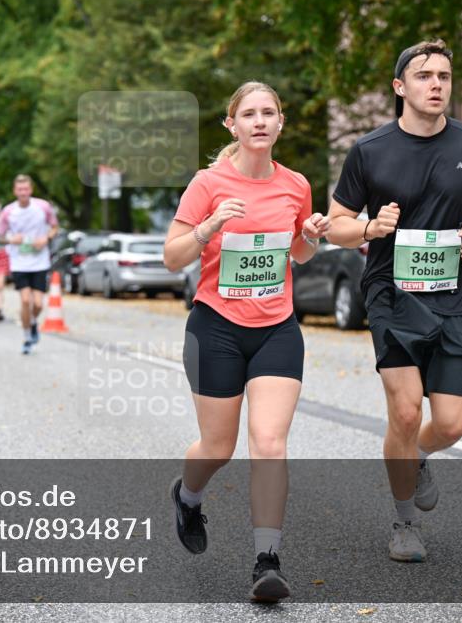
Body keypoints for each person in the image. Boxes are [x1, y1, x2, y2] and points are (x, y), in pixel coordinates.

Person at [326, 39, 462, 563]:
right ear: (400, 87)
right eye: (425, 76)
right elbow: (334, 224)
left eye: (445, 77)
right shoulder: (370, 150)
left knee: (450, 423)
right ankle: (404, 524)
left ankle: (420, 455)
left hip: (452, 297)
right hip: (390, 294)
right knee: (404, 411)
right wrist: (368, 225)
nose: (437, 85)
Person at [163, 81, 330, 602]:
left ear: (281, 123)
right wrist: (207, 227)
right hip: (216, 326)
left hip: (277, 327)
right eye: (249, 114)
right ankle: (188, 497)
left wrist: (312, 235)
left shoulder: (295, 185)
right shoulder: (207, 182)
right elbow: (173, 257)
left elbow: (299, 255)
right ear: (231, 125)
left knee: (270, 442)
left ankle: (267, 561)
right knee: (218, 446)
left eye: (269, 113)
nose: (259, 121)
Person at [0, 175, 59, 354]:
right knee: (25, 300)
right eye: (19, 189)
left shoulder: (43, 207)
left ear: (31, 190)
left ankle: (32, 323)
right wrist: (10, 239)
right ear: (15, 191)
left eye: (26, 189)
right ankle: (26, 337)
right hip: (19, 262)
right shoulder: (8, 211)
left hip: (40, 261)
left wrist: (45, 238)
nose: (23, 192)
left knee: (38, 304)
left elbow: (55, 227)